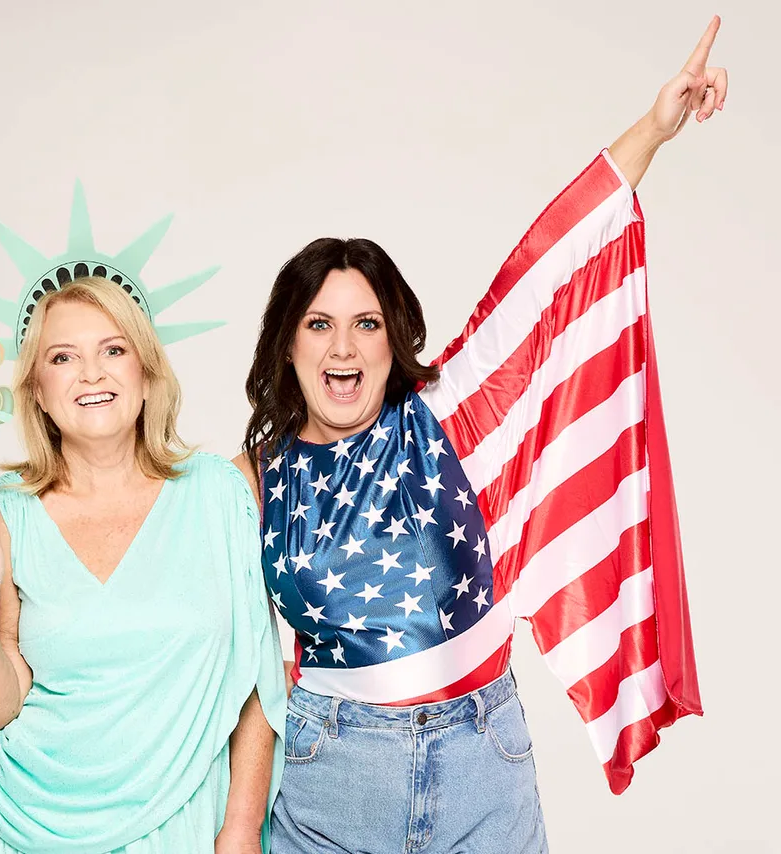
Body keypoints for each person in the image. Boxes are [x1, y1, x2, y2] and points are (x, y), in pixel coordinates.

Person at [232, 16, 726, 854]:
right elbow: (231, 662)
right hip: (332, 774)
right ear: (288, 341)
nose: (343, 347)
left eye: (365, 324)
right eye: (318, 325)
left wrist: (655, 127)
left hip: (479, 766)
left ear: (396, 341)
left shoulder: (447, 415)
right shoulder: (251, 478)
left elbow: (549, 260)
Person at [0, 277, 286, 853]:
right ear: (38, 392)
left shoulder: (220, 493)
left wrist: (242, 829)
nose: (91, 374)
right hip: (28, 828)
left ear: (146, 374)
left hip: (182, 824)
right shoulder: (2, 511)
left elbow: (257, 689)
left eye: (113, 350)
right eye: (63, 357)